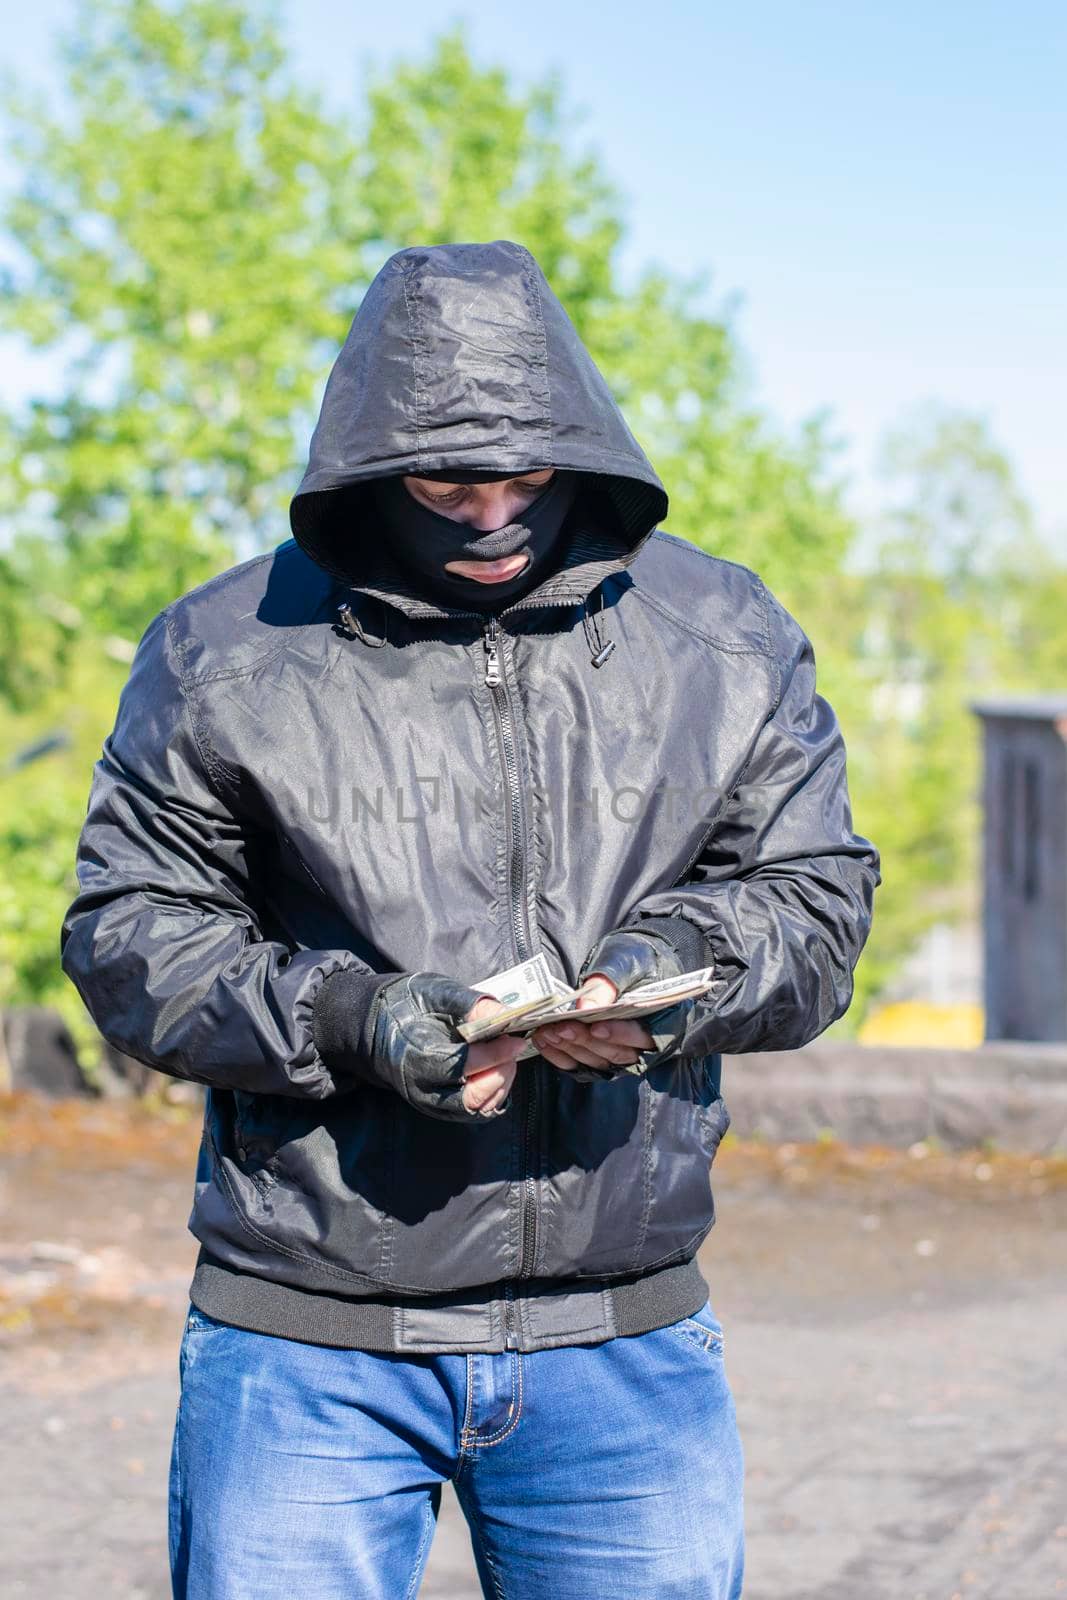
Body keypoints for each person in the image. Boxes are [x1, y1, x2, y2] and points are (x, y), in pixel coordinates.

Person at [60, 239, 879, 1599]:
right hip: (304, 1341)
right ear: (373, 467)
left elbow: (818, 895)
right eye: (449, 479)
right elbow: (131, 931)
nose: (493, 509)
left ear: (577, 443)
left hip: (623, 1337)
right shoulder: (223, 651)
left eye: (525, 472)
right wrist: (355, 1018)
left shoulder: (726, 638)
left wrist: (674, 975)